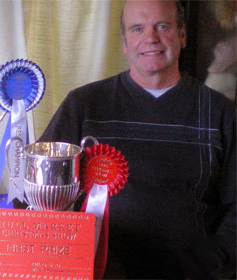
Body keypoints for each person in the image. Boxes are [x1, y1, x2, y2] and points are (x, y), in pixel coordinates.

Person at [38, 0, 236, 278]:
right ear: (125, 42)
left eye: (162, 26)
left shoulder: (221, 113)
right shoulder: (83, 105)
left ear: (182, 35)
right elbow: (40, 195)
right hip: (97, 271)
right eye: (137, 28)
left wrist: (213, 266)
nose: (150, 38)